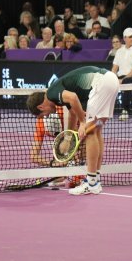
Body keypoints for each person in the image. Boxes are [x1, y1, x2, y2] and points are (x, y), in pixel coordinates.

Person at [26, 66, 119, 195]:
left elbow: (73, 98)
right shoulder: (58, 94)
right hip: (111, 80)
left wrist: (82, 123)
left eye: (43, 115)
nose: (46, 116)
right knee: (97, 129)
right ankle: (95, 180)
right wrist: (68, 137)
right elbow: (72, 112)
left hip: (101, 83)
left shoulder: (52, 93)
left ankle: (91, 183)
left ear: (41, 106)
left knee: (90, 132)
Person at [112, 27, 132, 121]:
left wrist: (122, 80)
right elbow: (114, 68)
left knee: (126, 81)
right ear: (124, 38)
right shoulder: (119, 51)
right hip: (120, 77)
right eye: (129, 37)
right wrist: (111, 78)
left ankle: (125, 111)